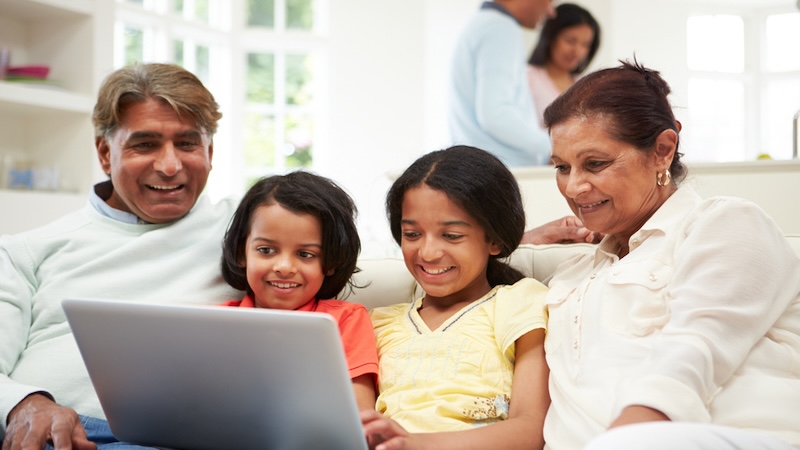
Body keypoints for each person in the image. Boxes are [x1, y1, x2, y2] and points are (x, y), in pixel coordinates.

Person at [542, 60, 800, 450]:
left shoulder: (727, 223)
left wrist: (623, 440)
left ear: (662, 150)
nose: (575, 187)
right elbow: (464, 261)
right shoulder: (572, 272)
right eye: (562, 167)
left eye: (595, 163)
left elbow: (693, 350)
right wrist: (530, 235)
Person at [0, 63, 242, 449]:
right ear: (104, 153)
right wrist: (24, 403)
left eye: (187, 143)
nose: (169, 165)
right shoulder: (26, 250)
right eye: (144, 144)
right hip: (59, 435)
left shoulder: (249, 229)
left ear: (210, 151)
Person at [361, 146, 551, 450]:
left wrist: (414, 444)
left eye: (451, 235)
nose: (428, 252)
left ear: (495, 240)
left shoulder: (519, 302)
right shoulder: (376, 323)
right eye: (412, 234)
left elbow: (530, 430)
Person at [219, 171, 378, 411]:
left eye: (305, 255)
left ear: (331, 262)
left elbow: (360, 413)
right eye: (266, 250)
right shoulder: (215, 322)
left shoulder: (346, 320)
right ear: (242, 253)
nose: (284, 268)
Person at [447, 0, 555, 167]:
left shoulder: (484, 23)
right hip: (503, 169)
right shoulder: (500, 28)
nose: (551, 12)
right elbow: (495, 115)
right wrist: (555, 145)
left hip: (482, 166)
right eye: (550, 1)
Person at [526, 2, 600, 127]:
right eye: (570, 41)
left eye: (585, 45)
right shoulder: (527, 77)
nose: (577, 51)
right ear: (550, 37)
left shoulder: (586, 86)